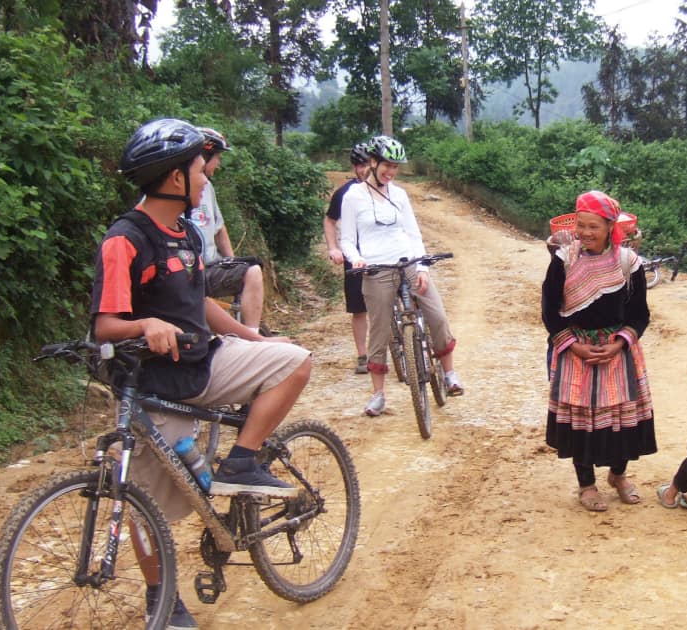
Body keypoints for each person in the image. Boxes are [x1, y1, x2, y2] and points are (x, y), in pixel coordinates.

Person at [96, 119, 313, 628]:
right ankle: (162, 597)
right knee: (145, 504)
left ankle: (241, 459)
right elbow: (106, 324)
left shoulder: (189, 234)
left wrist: (254, 337)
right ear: (175, 179)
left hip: (206, 362)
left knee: (295, 360)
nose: (205, 179)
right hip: (154, 385)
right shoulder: (124, 240)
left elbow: (201, 304)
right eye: (199, 169)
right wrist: (144, 323)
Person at [542, 190, 657, 512]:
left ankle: (618, 475)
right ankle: (587, 484)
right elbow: (550, 311)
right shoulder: (564, 260)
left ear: (611, 227)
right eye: (581, 225)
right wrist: (574, 345)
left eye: (594, 227)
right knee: (581, 423)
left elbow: (640, 314)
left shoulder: (627, 263)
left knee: (623, 419)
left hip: (617, 353)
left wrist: (620, 342)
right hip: (576, 350)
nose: (586, 233)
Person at [338, 135, 463, 416]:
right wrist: (356, 258)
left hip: (408, 262)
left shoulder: (400, 195)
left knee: (437, 315)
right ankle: (378, 394)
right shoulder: (353, 197)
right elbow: (346, 239)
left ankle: (449, 373)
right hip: (376, 269)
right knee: (379, 332)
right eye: (387, 166)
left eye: (395, 167)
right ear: (373, 162)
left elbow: (413, 234)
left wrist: (422, 268)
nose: (391, 172)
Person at [188, 126, 266, 332]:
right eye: (217, 157)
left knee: (252, 269)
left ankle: (251, 335)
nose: (219, 163)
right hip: (186, 272)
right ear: (204, 157)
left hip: (210, 268)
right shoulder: (176, 191)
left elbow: (219, 229)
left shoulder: (208, 189)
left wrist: (231, 260)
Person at [325, 141, 373, 374]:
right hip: (354, 256)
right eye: (361, 165)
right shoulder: (345, 193)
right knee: (359, 308)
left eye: (368, 164)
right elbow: (330, 220)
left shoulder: (386, 190)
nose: (365, 170)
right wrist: (333, 247)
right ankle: (363, 355)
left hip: (382, 253)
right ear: (355, 167)